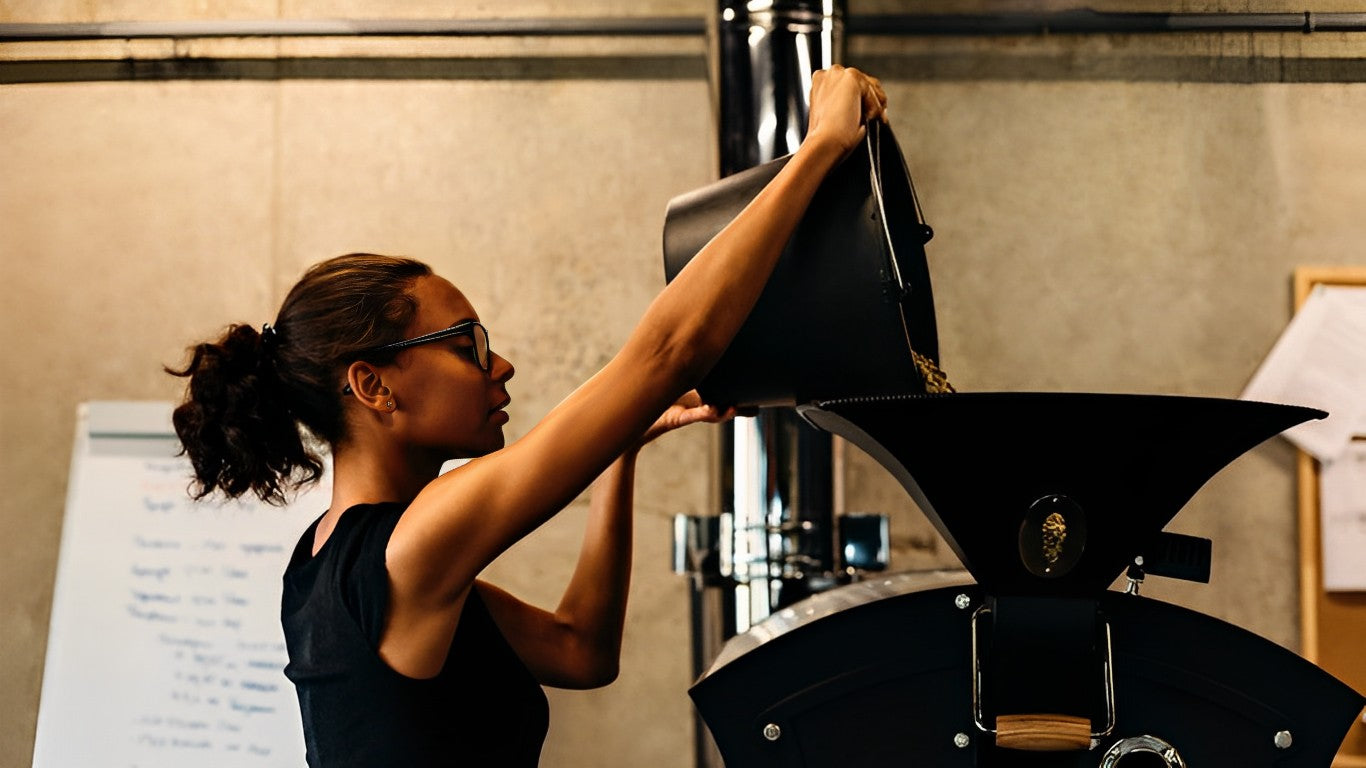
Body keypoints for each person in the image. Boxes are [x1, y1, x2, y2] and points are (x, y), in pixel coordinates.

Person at [167, 66, 888, 767]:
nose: (499, 366)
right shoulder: (414, 544)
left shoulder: (331, 564)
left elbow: (581, 650)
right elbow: (670, 351)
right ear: (373, 385)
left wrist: (621, 453)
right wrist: (821, 146)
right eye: (468, 345)